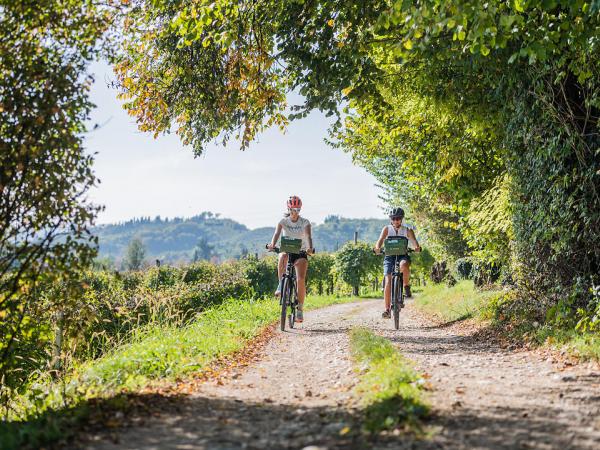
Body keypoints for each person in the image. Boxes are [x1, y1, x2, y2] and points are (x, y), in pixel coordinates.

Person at [267, 196, 314, 323]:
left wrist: (310, 247)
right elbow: (276, 234)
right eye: (293, 209)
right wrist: (272, 244)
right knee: (282, 256)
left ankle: (299, 309)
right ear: (288, 208)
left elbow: (308, 236)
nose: (295, 212)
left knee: (300, 279)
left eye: (298, 210)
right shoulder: (283, 221)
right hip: (287, 249)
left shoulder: (305, 222)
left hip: (301, 251)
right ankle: (281, 284)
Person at [374, 207, 421, 319]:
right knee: (388, 281)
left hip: (402, 256)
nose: (396, 220)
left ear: (402, 219)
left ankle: (406, 285)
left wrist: (417, 248)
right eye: (394, 218)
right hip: (389, 257)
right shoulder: (386, 229)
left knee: (404, 265)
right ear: (391, 219)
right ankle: (387, 309)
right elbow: (380, 240)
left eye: (398, 218)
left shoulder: (407, 230)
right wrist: (377, 248)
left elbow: (414, 242)